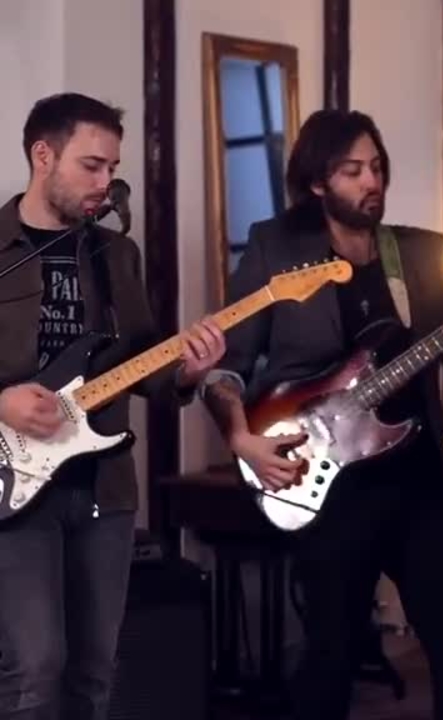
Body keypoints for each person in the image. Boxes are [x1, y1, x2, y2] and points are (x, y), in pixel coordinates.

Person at [201, 108, 443, 720]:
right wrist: (239, 437)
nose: (372, 181)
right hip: (328, 484)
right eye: (353, 171)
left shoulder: (421, 252)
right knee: (332, 653)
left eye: (376, 167)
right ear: (318, 181)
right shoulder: (276, 247)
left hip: (418, 480)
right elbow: (226, 367)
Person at [0, 93, 225, 720]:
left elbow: (142, 364)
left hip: (103, 488)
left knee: (94, 674)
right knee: (34, 670)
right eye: (91, 165)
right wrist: (1, 403)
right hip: (13, 487)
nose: (105, 182)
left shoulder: (117, 255)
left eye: (112, 168)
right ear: (43, 155)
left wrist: (188, 369)